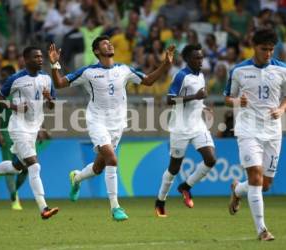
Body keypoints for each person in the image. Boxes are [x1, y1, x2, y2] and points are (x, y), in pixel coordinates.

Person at [48, 35, 175, 221]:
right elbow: (59, 84)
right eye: (104, 44)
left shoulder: (124, 70)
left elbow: (148, 81)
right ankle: (115, 208)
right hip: (97, 121)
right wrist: (54, 65)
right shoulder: (88, 72)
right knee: (112, 159)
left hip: (117, 125)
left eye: (109, 42)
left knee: (99, 167)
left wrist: (166, 64)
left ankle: (76, 178)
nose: (109, 44)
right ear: (97, 51)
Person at [224, 28, 286, 241]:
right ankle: (262, 230)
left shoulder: (282, 70)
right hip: (248, 130)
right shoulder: (239, 70)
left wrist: (282, 109)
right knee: (256, 178)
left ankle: (237, 189)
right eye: (264, 49)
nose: (268, 53)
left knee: (265, 184)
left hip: (273, 132)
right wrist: (236, 102)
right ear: (254, 47)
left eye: (271, 49)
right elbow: (227, 98)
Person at [0, 46, 59, 220]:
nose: (40, 59)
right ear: (26, 60)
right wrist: (14, 107)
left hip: (34, 128)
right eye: (36, 57)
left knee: (16, 167)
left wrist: (49, 99)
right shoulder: (16, 79)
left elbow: (52, 105)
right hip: (18, 127)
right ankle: (43, 208)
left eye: (41, 57)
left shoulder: (46, 78)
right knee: (34, 165)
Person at [154, 44, 217, 217]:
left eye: (201, 57)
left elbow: (198, 100)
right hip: (180, 128)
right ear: (188, 59)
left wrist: (202, 106)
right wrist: (194, 97)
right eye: (197, 58)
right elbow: (169, 99)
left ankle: (186, 186)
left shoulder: (201, 75)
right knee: (174, 169)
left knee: (210, 159)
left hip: (198, 125)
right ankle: (160, 200)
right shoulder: (181, 76)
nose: (200, 61)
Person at [0, 65, 28, 211]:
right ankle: (15, 198)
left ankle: (15, 192)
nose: (1, 78)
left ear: (10, 76)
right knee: (10, 166)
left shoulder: (23, 92)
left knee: (26, 167)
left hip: (22, 132)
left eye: (3, 75)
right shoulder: (0, 94)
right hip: (6, 132)